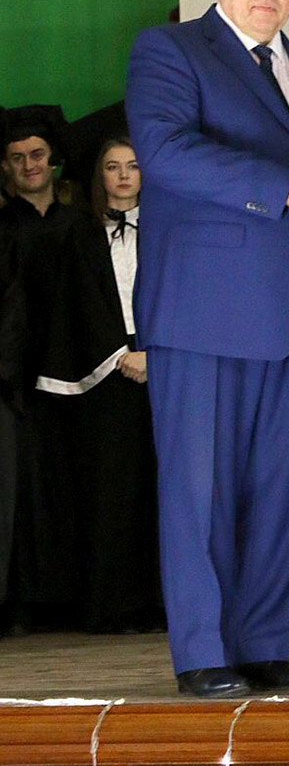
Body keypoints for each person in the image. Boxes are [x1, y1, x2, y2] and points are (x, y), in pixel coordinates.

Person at [126, 0, 289, 697]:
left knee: (280, 492)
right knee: (199, 490)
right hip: (202, 309)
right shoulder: (170, 49)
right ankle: (203, 653)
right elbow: (165, 152)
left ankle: (262, 645)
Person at [36, 134, 162, 632]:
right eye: (113, 166)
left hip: (163, 365)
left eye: (133, 165)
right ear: (99, 175)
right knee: (112, 489)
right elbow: (75, 306)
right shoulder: (79, 237)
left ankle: (160, 602)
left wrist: (154, 353)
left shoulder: (168, 231)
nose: (124, 175)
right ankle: (113, 605)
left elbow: (181, 294)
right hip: (105, 376)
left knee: (162, 486)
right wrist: (117, 355)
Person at [0, 104, 81, 633]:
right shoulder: (4, 228)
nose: (29, 165)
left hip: (79, 374)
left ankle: (72, 598)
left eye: (37, 154)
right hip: (18, 380)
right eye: (17, 157)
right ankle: (24, 602)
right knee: (22, 492)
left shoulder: (81, 224)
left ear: (52, 159)